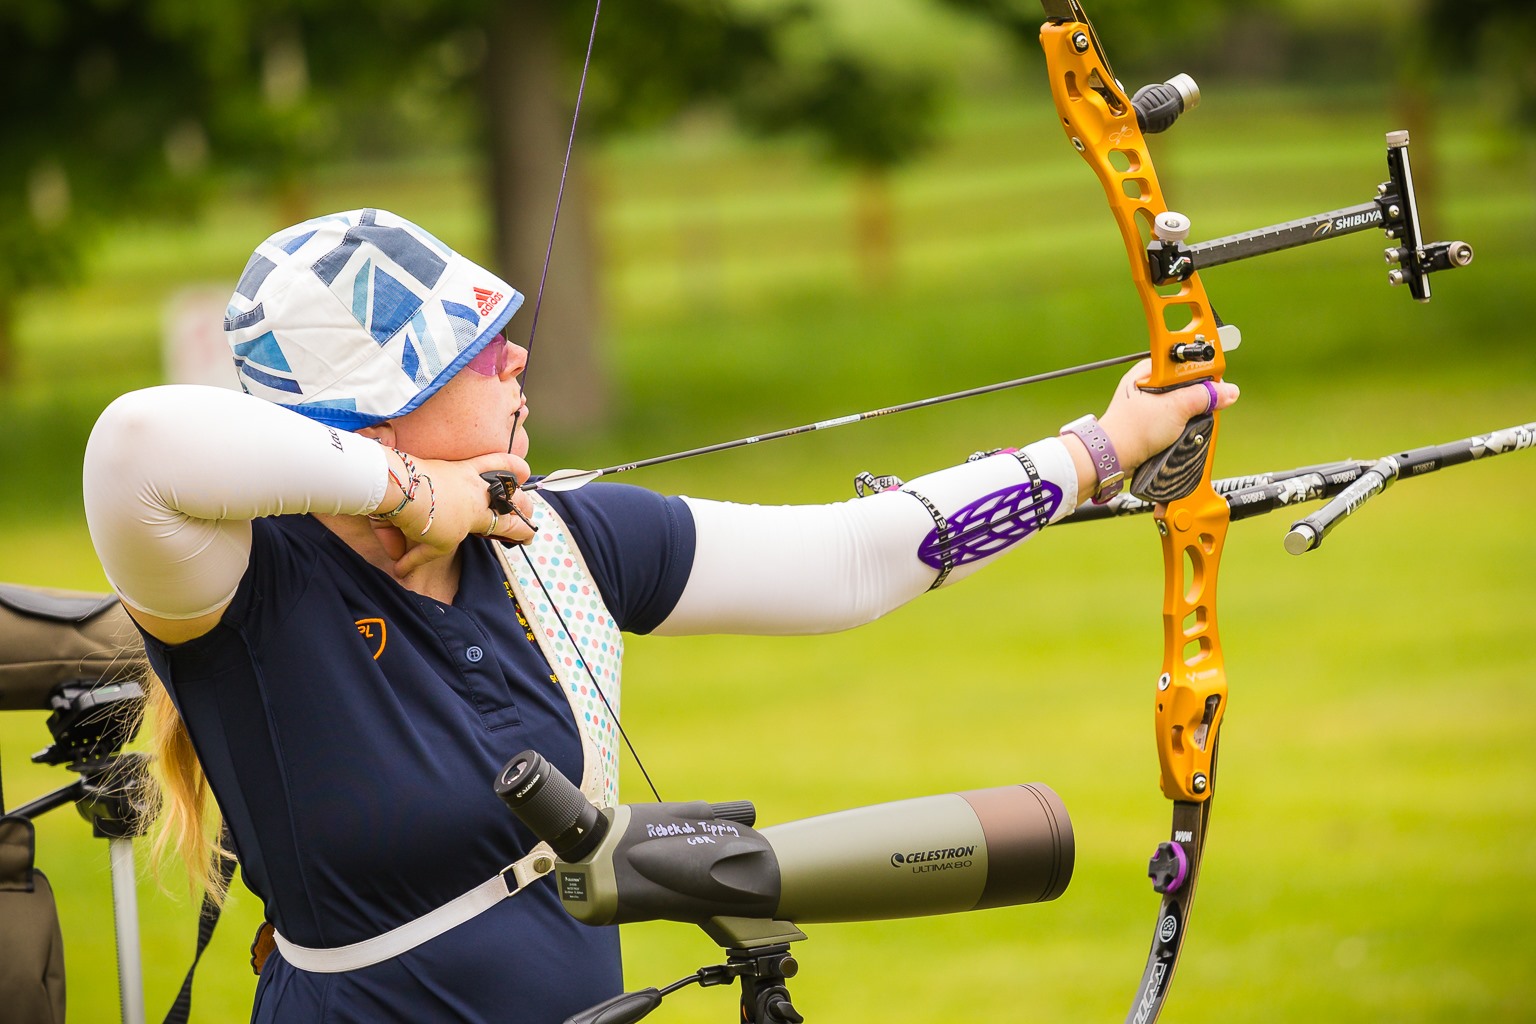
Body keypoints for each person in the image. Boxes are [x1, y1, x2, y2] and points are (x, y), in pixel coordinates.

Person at [82, 208, 1237, 1023]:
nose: (516, 356)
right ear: (377, 419)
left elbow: (854, 559)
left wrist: (1101, 448)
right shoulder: (245, 585)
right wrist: (420, 498)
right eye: (476, 351)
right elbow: (133, 443)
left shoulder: (557, 538)